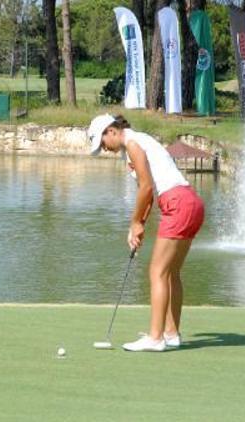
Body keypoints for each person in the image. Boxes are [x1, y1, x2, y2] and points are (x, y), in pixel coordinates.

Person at [87, 114, 205, 352]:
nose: (105, 149)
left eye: (102, 143)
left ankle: (155, 338)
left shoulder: (132, 144)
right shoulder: (138, 140)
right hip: (191, 202)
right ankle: (171, 334)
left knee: (157, 271)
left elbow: (146, 188)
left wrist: (135, 224)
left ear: (111, 131)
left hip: (177, 204)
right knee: (171, 272)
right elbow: (148, 194)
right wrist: (139, 224)